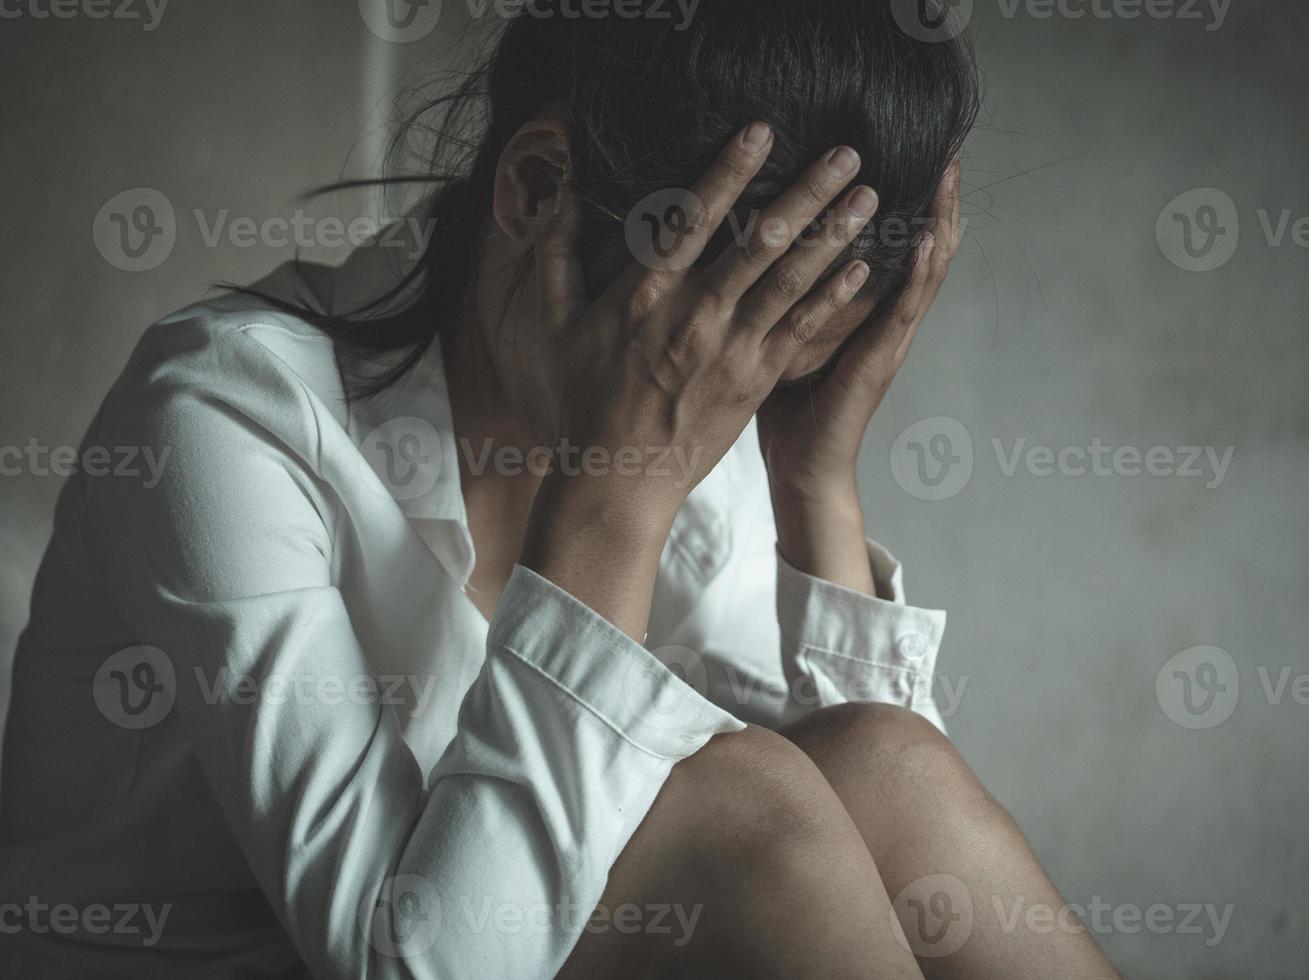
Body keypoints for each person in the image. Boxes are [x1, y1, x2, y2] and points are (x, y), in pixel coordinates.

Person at [1, 2, 1122, 977]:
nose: (735, 397)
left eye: (789, 357)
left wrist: (812, 482)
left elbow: (866, 831)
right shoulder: (219, 415)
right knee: (745, 802)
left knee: (888, 764)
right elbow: (416, 964)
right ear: (537, 189)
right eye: (731, 336)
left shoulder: (704, 397)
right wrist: (610, 498)